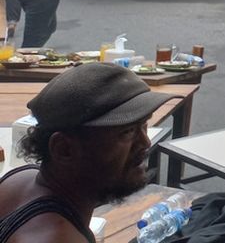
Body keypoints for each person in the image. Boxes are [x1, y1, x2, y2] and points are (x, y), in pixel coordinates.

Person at [0, 62, 171, 242]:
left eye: (144, 125)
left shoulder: (23, 177)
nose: (145, 142)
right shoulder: (57, 237)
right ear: (64, 149)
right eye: (127, 132)